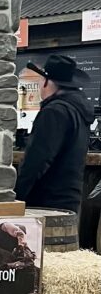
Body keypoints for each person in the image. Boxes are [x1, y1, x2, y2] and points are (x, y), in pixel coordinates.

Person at [14, 54, 95, 215]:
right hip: (68, 201)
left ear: (47, 82)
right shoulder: (78, 111)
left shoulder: (54, 112)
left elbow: (36, 161)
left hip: (45, 203)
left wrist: (17, 198)